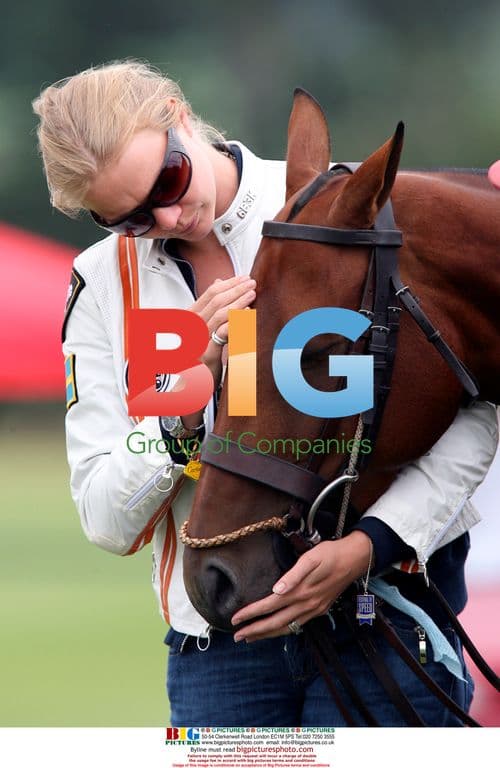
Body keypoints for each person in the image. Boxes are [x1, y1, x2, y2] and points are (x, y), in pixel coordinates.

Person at [33, 60, 498, 726]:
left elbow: (478, 409)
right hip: (222, 647)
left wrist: (371, 543)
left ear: (179, 115)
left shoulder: (341, 204)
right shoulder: (100, 286)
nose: (168, 215)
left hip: (385, 617)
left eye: (169, 180)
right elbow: (106, 518)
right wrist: (182, 395)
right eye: (130, 220)